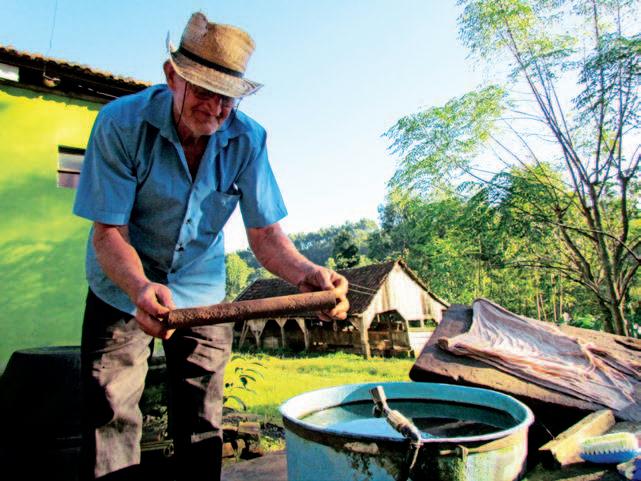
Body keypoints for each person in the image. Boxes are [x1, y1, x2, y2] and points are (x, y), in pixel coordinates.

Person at [72, 11, 349, 481]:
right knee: (110, 412)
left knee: (203, 420)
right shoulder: (120, 124)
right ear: (171, 76)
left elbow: (265, 235)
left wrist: (307, 275)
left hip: (202, 294)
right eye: (204, 91)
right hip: (122, 289)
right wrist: (140, 287)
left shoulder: (248, 139)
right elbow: (108, 233)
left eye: (227, 98)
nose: (216, 109)